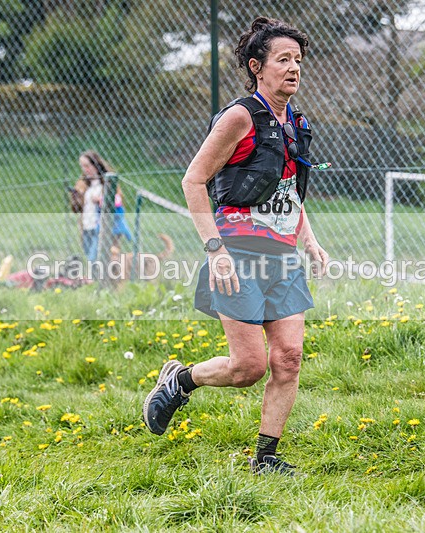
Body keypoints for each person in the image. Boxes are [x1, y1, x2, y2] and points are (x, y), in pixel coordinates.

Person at [142, 17, 329, 476]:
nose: (293, 68)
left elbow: (288, 192)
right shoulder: (240, 117)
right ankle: (180, 380)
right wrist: (214, 249)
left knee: (288, 358)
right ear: (256, 67)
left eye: (298, 60)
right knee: (248, 367)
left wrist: (310, 241)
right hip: (238, 251)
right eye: (283, 59)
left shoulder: (298, 123)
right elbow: (193, 180)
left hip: (283, 255)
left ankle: (266, 459)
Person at [75, 150, 132, 261]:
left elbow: (118, 202)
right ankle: (99, 277)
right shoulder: (82, 183)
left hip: (103, 227)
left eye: (87, 166)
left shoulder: (108, 182)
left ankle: (101, 277)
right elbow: (77, 208)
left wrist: (101, 200)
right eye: (82, 166)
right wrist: (77, 198)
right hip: (87, 225)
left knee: (95, 258)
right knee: (89, 257)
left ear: (95, 164)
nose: (85, 169)